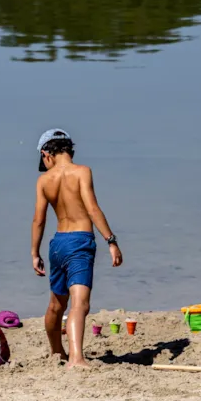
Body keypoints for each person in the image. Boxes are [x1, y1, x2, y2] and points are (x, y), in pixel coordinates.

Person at [31, 129, 123, 368]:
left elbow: (38, 220)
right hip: (80, 242)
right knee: (80, 304)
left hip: (57, 243)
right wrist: (111, 241)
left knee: (56, 304)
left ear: (46, 154)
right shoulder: (82, 172)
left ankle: (57, 352)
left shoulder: (43, 181)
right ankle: (76, 358)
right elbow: (92, 208)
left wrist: (35, 253)